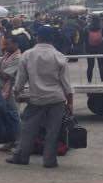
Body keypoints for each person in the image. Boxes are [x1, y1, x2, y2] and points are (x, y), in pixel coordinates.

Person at [8, 27, 72, 169]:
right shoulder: (59, 56)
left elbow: (21, 79)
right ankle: (49, 161)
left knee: (27, 129)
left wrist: (17, 92)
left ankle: (21, 157)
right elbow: (66, 84)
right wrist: (70, 103)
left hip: (36, 98)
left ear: (37, 38)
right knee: (53, 131)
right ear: (52, 39)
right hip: (56, 98)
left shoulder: (27, 55)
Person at [0, 33, 22, 152]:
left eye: (8, 44)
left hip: (12, 89)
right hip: (2, 88)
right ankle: (9, 141)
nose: (5, 46)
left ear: (15, 44)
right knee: (6, 116)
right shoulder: (6, 55)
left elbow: (5, 74)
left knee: (14, 116)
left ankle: (18, 142)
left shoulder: (18, 58)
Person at [84, 15, 103, 83]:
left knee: (90, 66)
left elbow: (85, 40)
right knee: (101, 65)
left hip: (89, 49)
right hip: (100, 49)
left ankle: (89, 81)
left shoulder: (87, 28)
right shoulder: (102, 28)